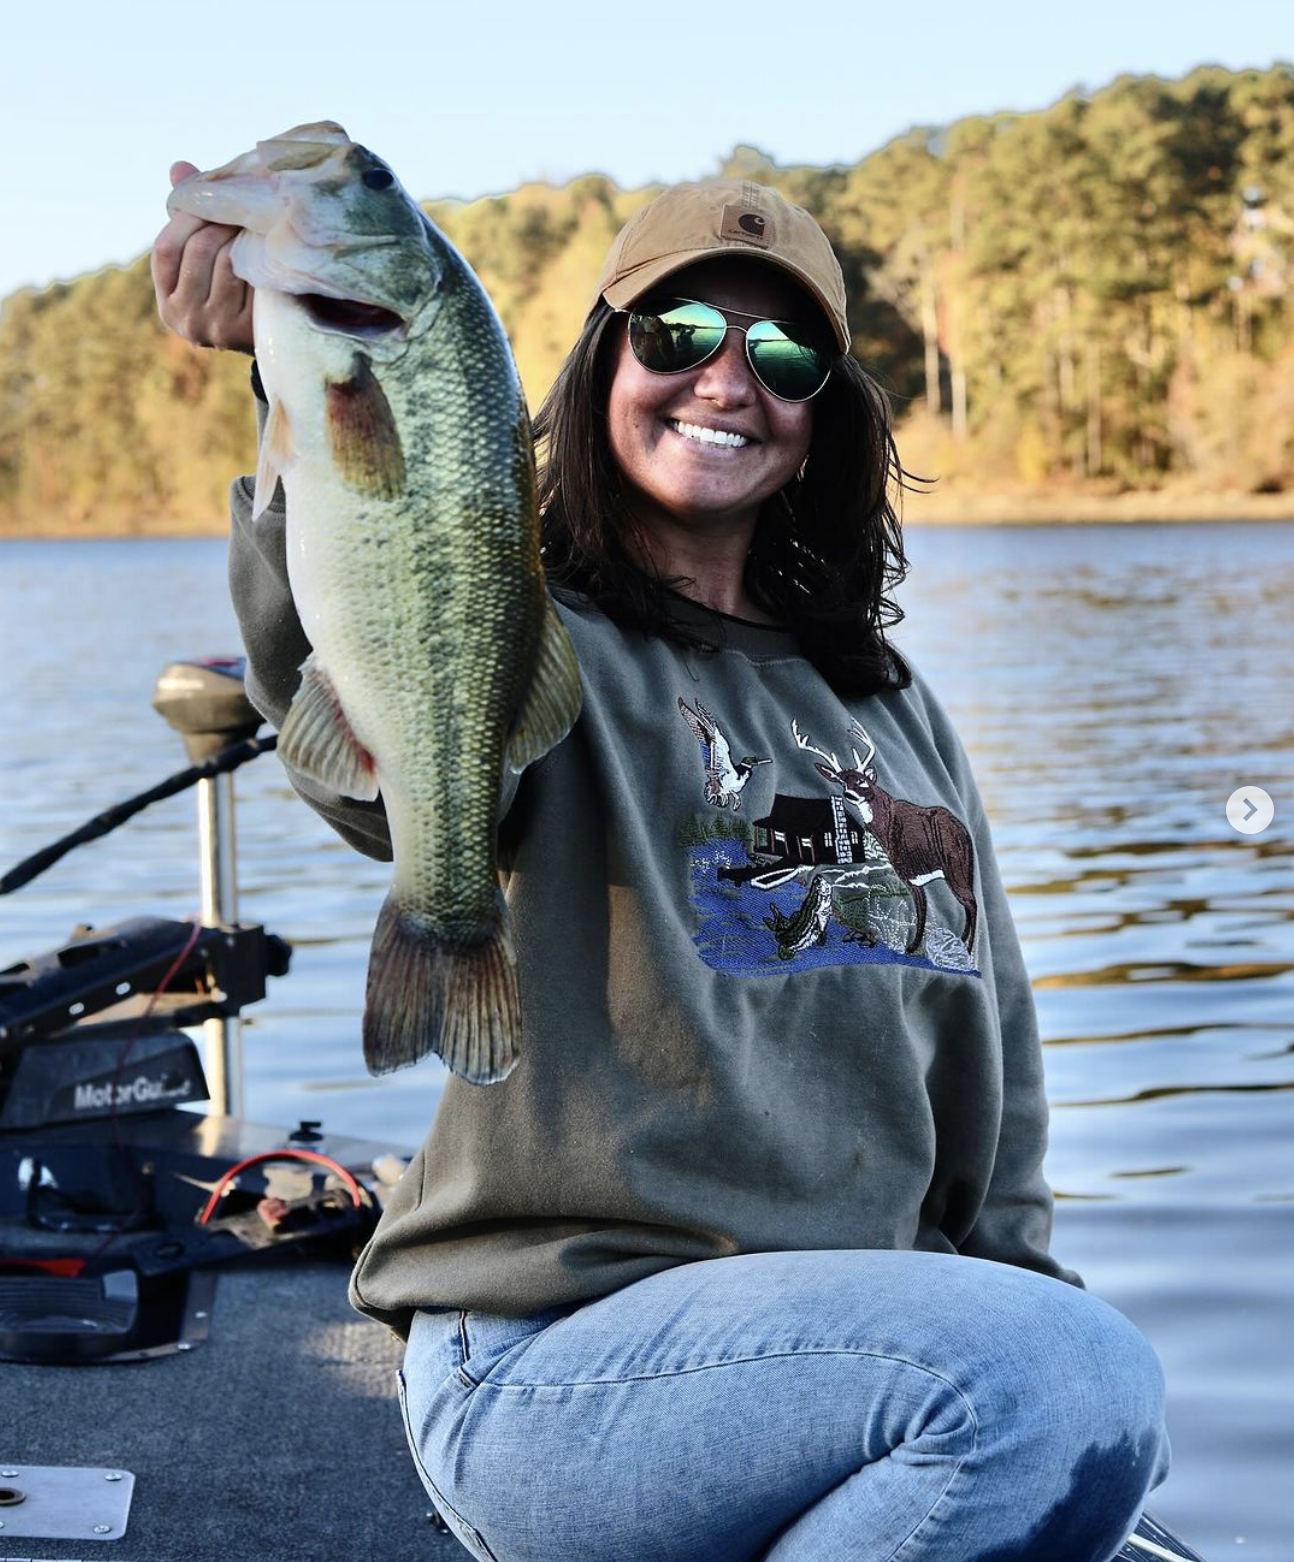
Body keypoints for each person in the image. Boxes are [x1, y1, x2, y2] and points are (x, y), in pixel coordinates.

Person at [153, 168, 1170, 1562]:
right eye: (677, 334)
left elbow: (993, 1056)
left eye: (785, 355)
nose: (727, 381)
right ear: (604, 365)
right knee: (1064, 1378)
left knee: (1087, 1407)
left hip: (853, 1365)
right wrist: (291, 393)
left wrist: (1024, 1304)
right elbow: (373, 776)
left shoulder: (891, 706)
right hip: (555, 1352)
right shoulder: (526, 632)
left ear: (824, 413)